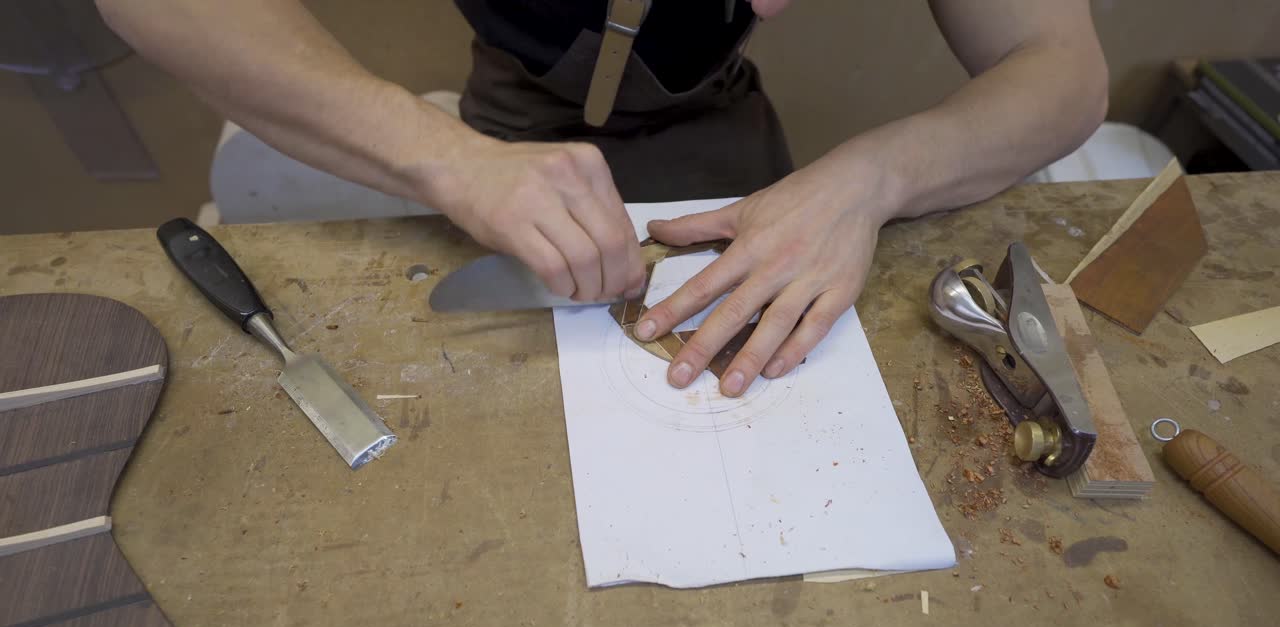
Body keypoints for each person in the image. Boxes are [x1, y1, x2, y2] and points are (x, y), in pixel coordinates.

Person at [98, 0, 1107, 397]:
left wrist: (874, 176)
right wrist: (436, 156)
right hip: (510, 115)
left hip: (724, 134)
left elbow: (1057, 66)